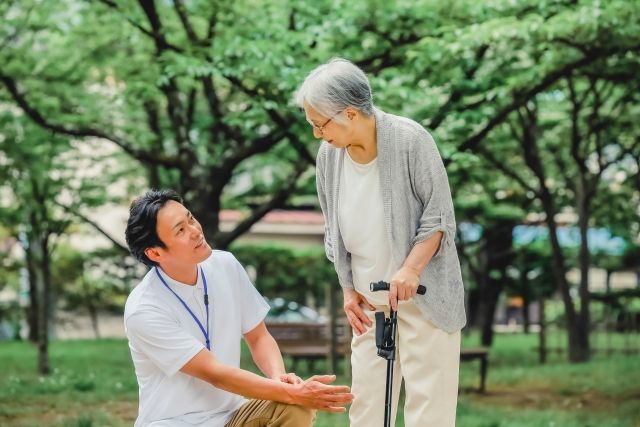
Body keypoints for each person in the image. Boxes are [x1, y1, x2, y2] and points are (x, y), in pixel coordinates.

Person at [295, 58, 466, 427]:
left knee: (428, 411)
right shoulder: (329, 157)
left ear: (351, 114)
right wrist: (346, 289)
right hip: (370, 304)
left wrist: (411, 269)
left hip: (424, 298)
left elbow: (439, 218)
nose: (316, 134)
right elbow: (334, 230)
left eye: (319, 124)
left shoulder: (410, 140)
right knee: (368, 407)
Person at [123, 189, 353, 427]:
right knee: (293, 398)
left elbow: (259, 336)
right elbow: (215, 374)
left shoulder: (225, 265)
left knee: (294, 408)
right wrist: (294, 392)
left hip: (233, 415)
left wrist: (281, 379)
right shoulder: (144, 309)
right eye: (180, 230)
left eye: (190, 218)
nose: (195, 231)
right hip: (174, 422)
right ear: (155, 252)